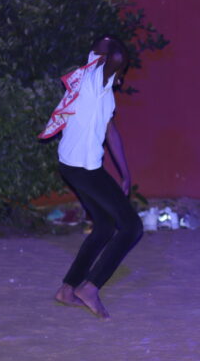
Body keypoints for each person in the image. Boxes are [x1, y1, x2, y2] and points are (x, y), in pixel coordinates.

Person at [48, 36, 143, 319]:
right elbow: (110, 53)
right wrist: (114, 54)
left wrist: (125, 173)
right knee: (131, 227)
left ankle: (67, 289)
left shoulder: (103, 92)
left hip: (76, 166)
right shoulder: (92, 78)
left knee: (104, 226)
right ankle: (90, 287)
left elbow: (111, 133)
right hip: (82, 169)